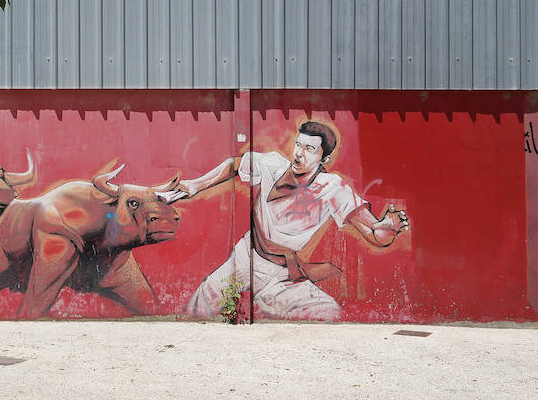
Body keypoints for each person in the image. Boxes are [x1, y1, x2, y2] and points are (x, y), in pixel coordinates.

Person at [171, 120, 410, 321]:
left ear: (324, 158)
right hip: (247, 256)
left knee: (329, 311)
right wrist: (197, 185)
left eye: (309, 149)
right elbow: (235, 164)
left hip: (282, 275)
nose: (299, 153)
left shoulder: (333, 188)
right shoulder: (272, 165)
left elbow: (374, 233)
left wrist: (388, 228)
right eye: (298, 145)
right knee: (200, 306)